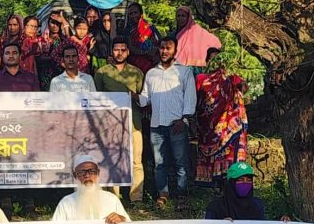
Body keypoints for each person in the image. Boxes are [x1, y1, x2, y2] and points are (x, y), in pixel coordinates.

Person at [138, 36, 196, 209]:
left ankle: (181, 195)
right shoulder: (151, 73)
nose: (164, 51)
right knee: (159, 163)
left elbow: (190, 98)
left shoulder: (184, 72)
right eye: (162, 48)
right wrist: (132, 96)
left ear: (175, 51)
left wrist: (184, 119)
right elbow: (145, 99)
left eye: (168, 48)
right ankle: (162, 194)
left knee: (180, 162)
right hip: (156, 125)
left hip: (177, 124)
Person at [94, 37, 147, 203]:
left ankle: (136, 197)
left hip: (133, 122)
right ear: (112, 52)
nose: (119, 53)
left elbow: (143, 99)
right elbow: (97, 98)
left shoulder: (137, 72)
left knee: (136, 160)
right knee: (112, 160)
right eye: (116, 49)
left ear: (128, 52)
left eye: (123, 50)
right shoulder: (102, 72)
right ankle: (113, 198)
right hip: (110, 123)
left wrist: (132, 96)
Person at [195, 47, 249, 185]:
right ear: (207, 62)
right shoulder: (201, 78)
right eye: (212, 59)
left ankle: (229, 184)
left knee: (229, 154)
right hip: (209, 126)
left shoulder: (230, 77)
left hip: (228, 126)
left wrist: (235, 84)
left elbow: (243, 88)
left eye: (219, 59)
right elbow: (198, 100)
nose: (216, 63)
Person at [175, 6, 221, 72]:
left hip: (196, 69)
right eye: (178, 16)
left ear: (188, 18)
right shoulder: (174, 34)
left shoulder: (199, 32)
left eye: (183, 16)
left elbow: (215, 42)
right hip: (178, 69)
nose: (180, 18)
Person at [125, 2, 161, 74]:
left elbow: (161, 43)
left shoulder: (151, 28)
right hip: (136, 66)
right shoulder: (127, 31)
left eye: (136, 12)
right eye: (131, 14)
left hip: (153, 63)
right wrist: (145, 53)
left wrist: (155, 50)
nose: (133, 15)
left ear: (141, 14)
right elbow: (131, 48)